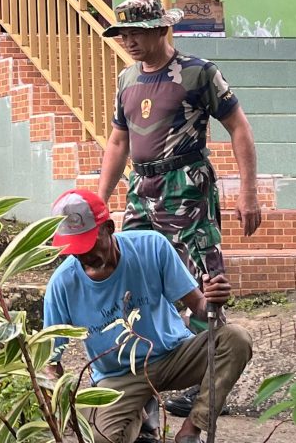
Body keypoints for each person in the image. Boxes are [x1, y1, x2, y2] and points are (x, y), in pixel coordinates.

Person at [96, 0, 260, 419]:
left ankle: (207, 384)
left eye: (137, 31)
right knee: (128, 275)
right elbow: (118, 141)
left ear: (161, 29)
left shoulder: (198, 73)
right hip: (141, 188)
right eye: (124, 33)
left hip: (187, 186)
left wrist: (248, 193)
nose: (129, 40)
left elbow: (238, 126)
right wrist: (98, 201)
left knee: (204, 281)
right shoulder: (126, 79)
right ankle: (142, 374)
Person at [42, 190, 253, 443]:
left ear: (108, 228)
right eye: (73, 248)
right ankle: (138, 416)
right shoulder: (62, 284)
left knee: (236, 339)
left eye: (87, 244)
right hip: (119, 377)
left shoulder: (150, 246)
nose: (82, 255)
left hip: (174, 354)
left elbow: (198, 305)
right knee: (100, 439)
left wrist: (213, 299)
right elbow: (50, 360)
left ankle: (191, 429)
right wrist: (57, 400)